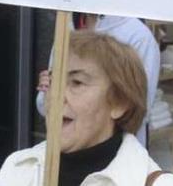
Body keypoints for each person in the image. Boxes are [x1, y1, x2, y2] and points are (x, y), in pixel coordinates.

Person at [0, 31, 173, 186]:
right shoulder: (19, 168)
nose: (56, 96)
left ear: (119, 103)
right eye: (53, 81)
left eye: (76, 82)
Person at [36, 13, 160, 145]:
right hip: (63, 152)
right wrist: (48, 90)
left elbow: (138, 110)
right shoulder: (66, 29)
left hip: (115, 151)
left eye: (77, 82)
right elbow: (44, 105)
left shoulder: (137, 36)